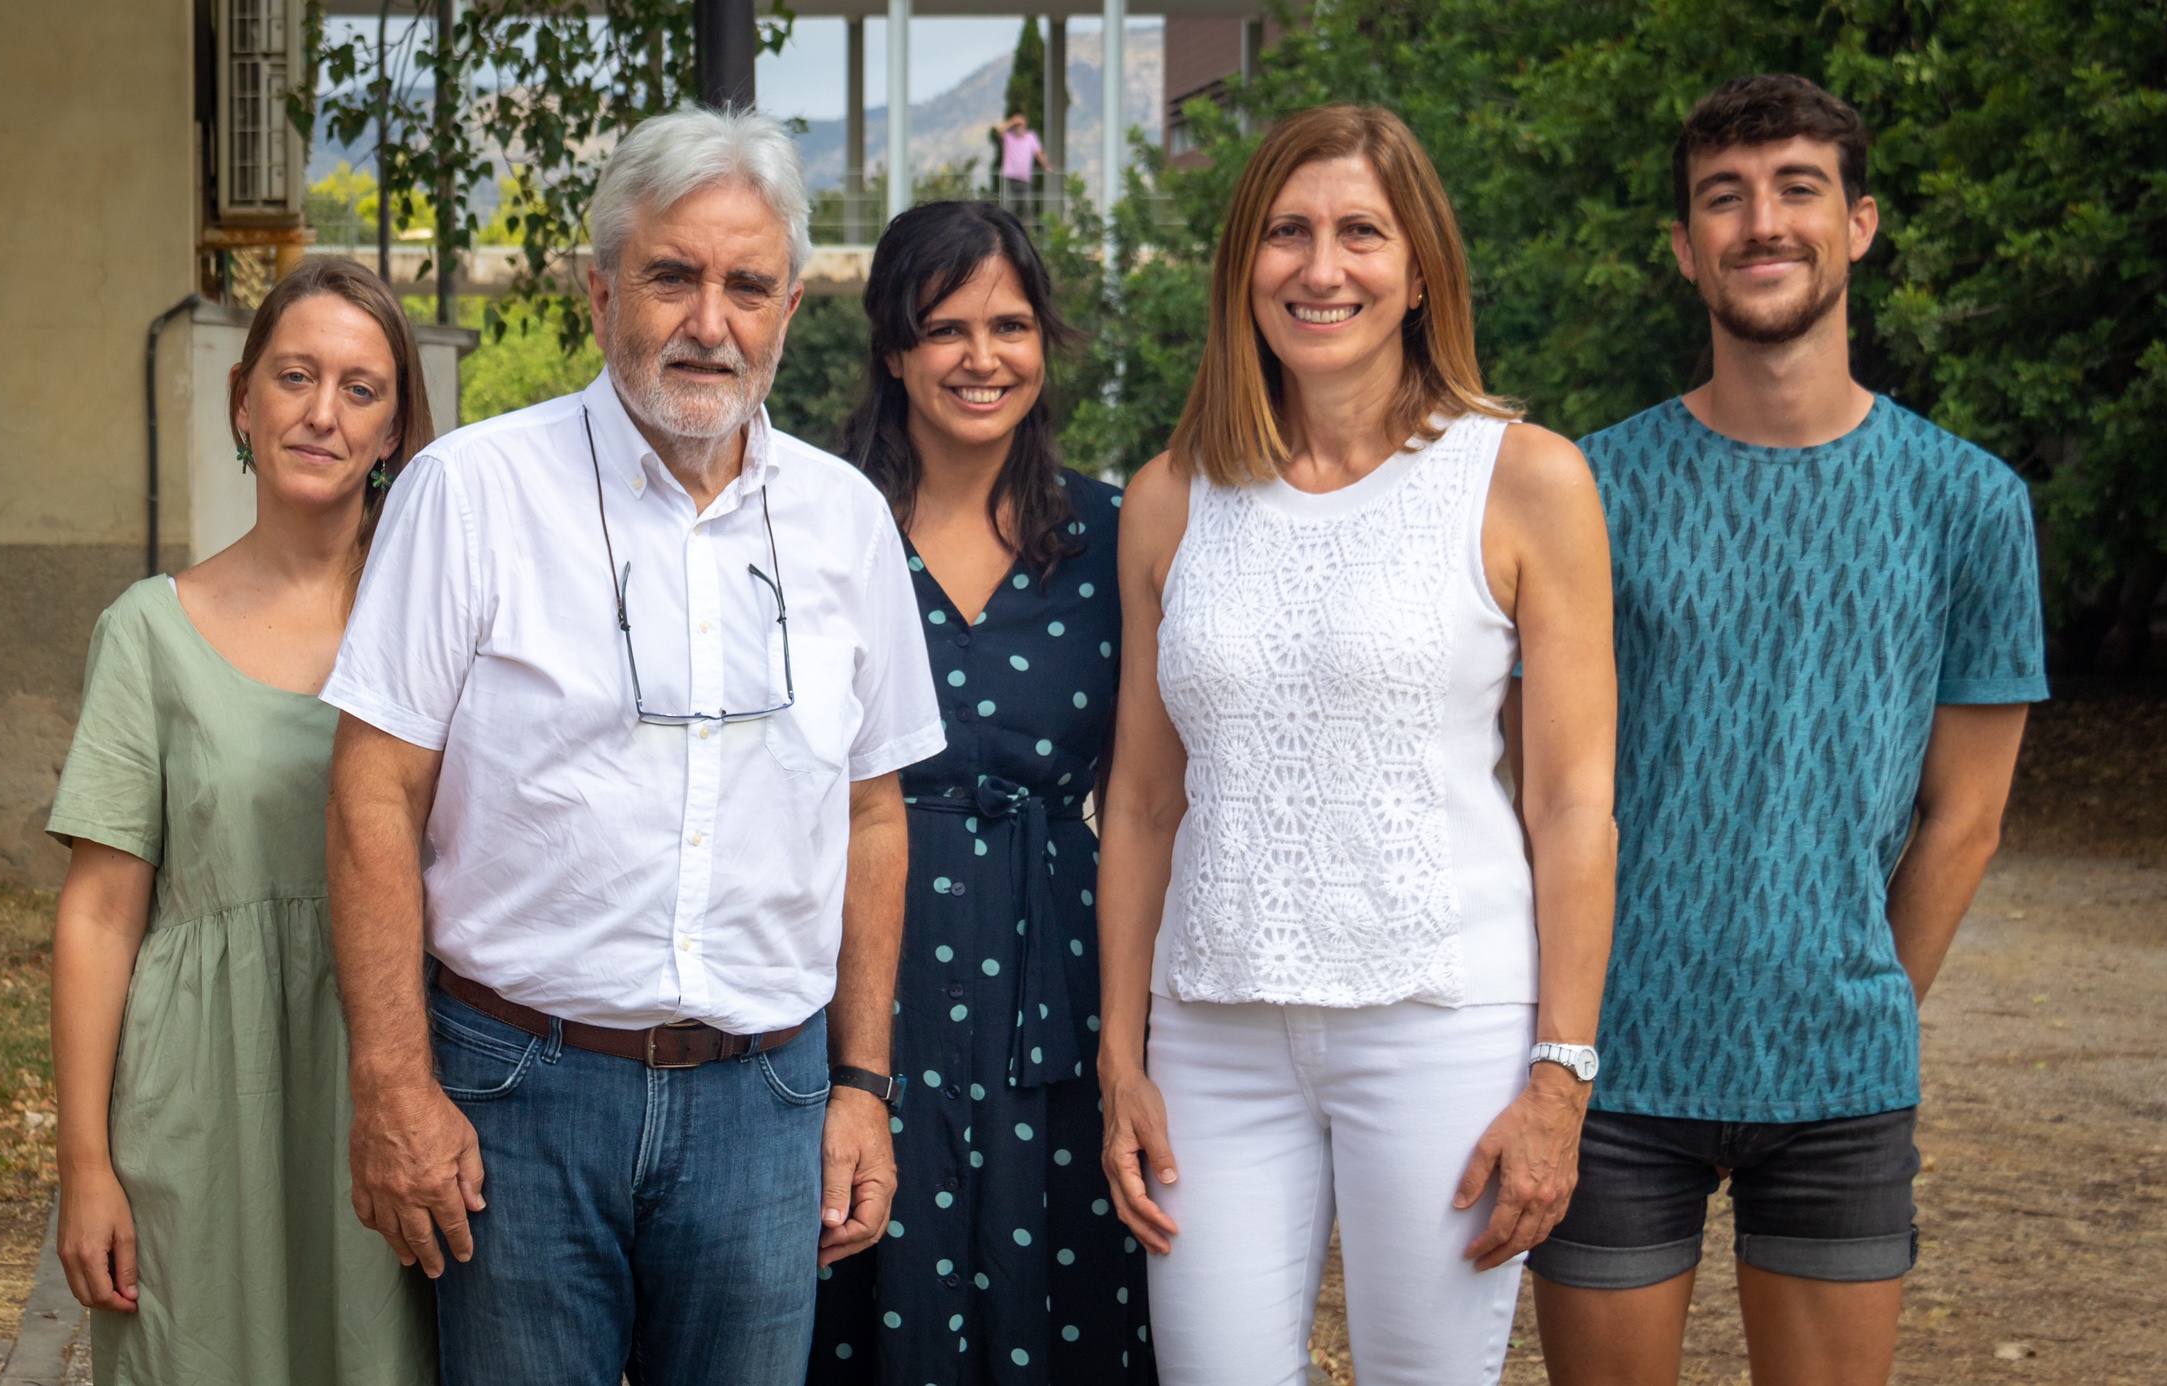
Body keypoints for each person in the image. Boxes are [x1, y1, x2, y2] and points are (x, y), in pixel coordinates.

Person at [319, 105, 945, 1386]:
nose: (711, 321)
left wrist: (861, 1084)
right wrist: (391, 1086)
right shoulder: (473, 491)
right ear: (603, 292)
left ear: (787, 310)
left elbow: (872, 813)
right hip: (518, 1091)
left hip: (766, 1102)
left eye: (747, 287)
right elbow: (371, 793)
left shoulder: (847, 521)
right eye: (672, 276)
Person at [1525, 75, 2046, 1386]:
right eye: (1724, 197)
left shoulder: (1971, 504)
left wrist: (1861, 1002)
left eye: (1797, 189)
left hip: (1840, 1082)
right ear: (1684, 246)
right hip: (1611, 1067)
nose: (1762, 223)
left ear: (1858, 224)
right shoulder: (1586, 488)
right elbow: (1531, 780)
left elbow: (1967, 816)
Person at [1095, 104, 1619, 1385]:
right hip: (1210, 1032)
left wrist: (1560, 1076)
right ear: (1243, 267)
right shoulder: (1168, 497)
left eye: (1360, 234)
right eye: (1286, 232)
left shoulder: (1525, 479)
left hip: (1441, 1021)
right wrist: (1121, 1052)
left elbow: (1570, 800)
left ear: (1420, 270)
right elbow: (1144, 801)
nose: (1320, 268)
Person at [46, 257, 439, 1386]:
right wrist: (84, 1166)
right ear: (242, 401)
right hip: (202, 1100)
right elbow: (99, 915)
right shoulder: (148, 633)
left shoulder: (439, 622)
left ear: (394, 429)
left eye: (360, 389)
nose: (322, 413)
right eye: (295, 377)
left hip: (397, 1086)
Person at [808, 200, 1154, 1384]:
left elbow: (1151, 796)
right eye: (944, 327)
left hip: (1059, 972)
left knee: (1060, 1290)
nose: (980, 357)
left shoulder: (1114, 535)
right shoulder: (817, 522)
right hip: (863, 968)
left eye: (1009, 325)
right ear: (893, 348)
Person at [995, 111, 1051, 227]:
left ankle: (1028, 232)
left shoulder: (1031, 137)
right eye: (1017, 125)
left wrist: (1046, 166)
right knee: (1010, 208)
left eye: (1021, 124)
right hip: (1010, 178)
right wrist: (1013, 121)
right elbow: (999, 131)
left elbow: (1038, 153)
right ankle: (1009, 231)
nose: (1018, 127)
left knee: (1027, 207)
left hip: (1025, 179)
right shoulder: (1008, 137)